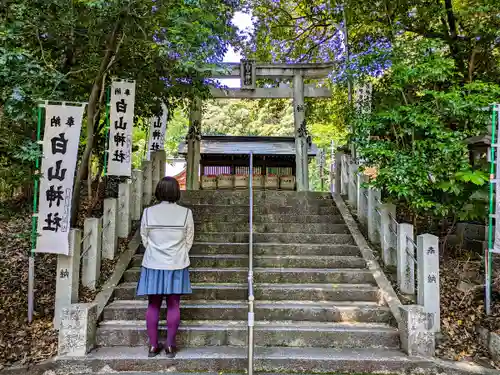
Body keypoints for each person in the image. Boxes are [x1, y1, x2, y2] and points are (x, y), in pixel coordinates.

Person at [136, 176, 194, 358]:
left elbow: (144, 238)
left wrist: (155, 251)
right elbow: (188, 240)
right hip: (177, 263)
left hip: (153, 263)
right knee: (173, 304)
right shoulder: (186, 213)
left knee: (153, 304)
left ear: (159, 191)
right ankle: (170, 346)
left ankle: (153, 346)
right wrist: (177, 253)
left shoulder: (148, 212)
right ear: (177, 192)